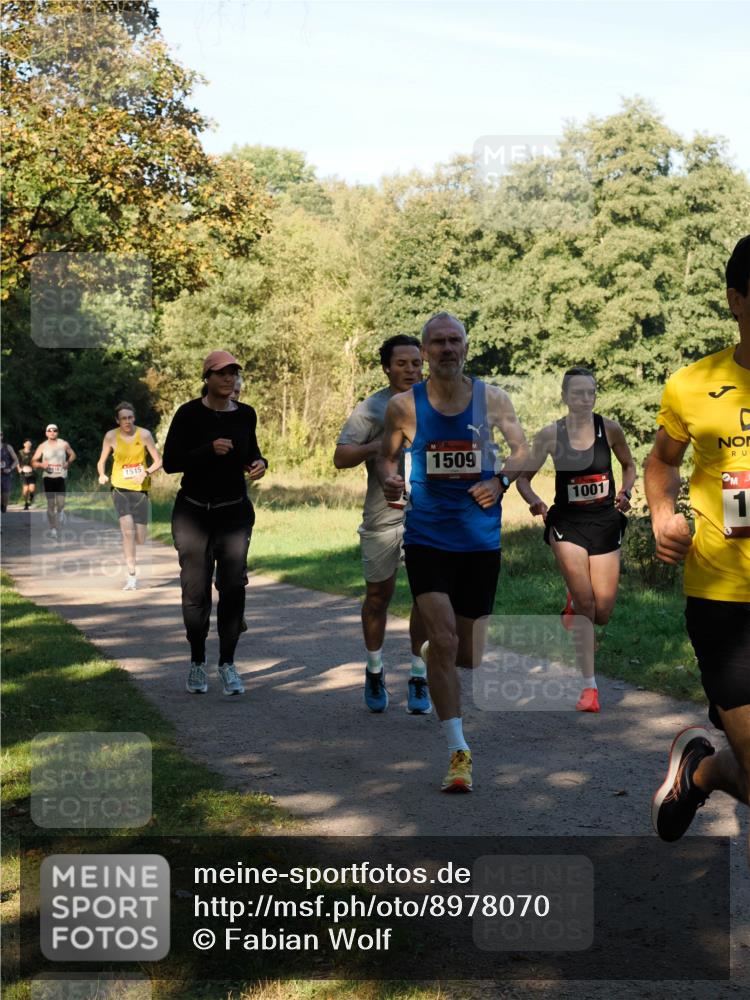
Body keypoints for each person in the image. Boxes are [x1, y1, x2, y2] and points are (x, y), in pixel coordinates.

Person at [378, 312, 528, 793]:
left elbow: (523, 452)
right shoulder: (405, 406)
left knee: (469, 656)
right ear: (424, 352)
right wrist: (389, 479)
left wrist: (499, 480)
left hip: (480, 539)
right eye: (437, 342)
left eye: (454, 340)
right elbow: (386, 456)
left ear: (466, 347)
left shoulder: (493, 399)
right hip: (427, 537)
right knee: (445, 643)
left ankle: (429, 652)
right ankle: (458, 752)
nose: (446, 348)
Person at [648, 235, 750, 842]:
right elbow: (662, 463)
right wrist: (663, 513)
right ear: (737, 300)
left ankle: (705, 770)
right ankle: (706, 769)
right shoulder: (692, 384)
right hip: (724, 599)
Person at [516, 367, 637, 712]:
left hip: (604, 523)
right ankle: (590, 689)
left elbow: (629, 465)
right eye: (577, 393)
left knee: (602, 613)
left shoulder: (609, 429)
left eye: (590, 393)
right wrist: (535, 501)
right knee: (587, 606)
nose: (584, 399)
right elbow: (524, 478)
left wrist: (626, 490)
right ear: (565, 397)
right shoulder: (550, 434)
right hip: (566, 523)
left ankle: (572, 608)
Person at [334, 334, 430, 714]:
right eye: (402, 364)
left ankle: (419, 676)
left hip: (427, 514)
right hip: (383, 513)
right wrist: (381, 444)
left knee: (427, 597)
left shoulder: (436, 401)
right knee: (378, 597)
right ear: (386, 367)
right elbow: (340, 457)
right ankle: (375, 670)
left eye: (415, 363)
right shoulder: (372, 408)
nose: (410, 370)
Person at [163, 350, 267, 697]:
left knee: (234, 585)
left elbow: (250, 452)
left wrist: (259, 463)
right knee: (196, 591)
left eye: (233, 373)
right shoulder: (189, 414)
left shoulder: (246, 414)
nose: (228, 379)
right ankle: (196, 661)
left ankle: (227, 663)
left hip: (233, 512)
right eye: (221, 373)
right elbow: (170, 462)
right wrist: (209, 449)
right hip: (194, 512)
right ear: (207, 377)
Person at [97, 402, 162, 590]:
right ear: (117, 420)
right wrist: (102, 474)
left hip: (140, 488)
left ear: (134, 418)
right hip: (119, 487)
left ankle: (132, 550)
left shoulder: (144, 435)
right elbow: (101, 462)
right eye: (123, 418)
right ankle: (131, 575)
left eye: (130, 417)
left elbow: (159, 461)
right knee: (127, 531)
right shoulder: (111, 436)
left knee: (140, 537)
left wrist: (146, 472)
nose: (127, 421)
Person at [31, 424, 76, 539]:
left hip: (60, 476)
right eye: (49, 431)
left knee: (60, 503)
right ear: (46, 433)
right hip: (48, 477)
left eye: (54, 430)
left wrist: (68, 463)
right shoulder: (42, 446)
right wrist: (41, 464)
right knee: (51, 504)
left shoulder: (64, 443)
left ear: (57, 432)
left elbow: (73, 455)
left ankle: (61, 512)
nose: (52, 432)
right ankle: (53, 529)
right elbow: (33, 461)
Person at [1, 433, 19, 514]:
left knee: (5, 497)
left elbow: (16, 460)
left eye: (0, 434)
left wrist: (10, 468)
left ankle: (3, 506)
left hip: (5, 475)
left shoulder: (7, 447)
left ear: (2, 436)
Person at [17, 439, 37, 510]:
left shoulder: (33, 452)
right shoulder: (20, 452)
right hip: (23, 474)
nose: (29, 445)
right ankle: (26, 503)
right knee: (25, 490)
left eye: (30, 443)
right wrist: (19, 469)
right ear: (24, 444)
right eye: (27, 443)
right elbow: (17, 462)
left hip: (32, 473)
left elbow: (36, 461)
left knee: (32, 489)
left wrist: (35, 467)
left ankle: (30, 499)